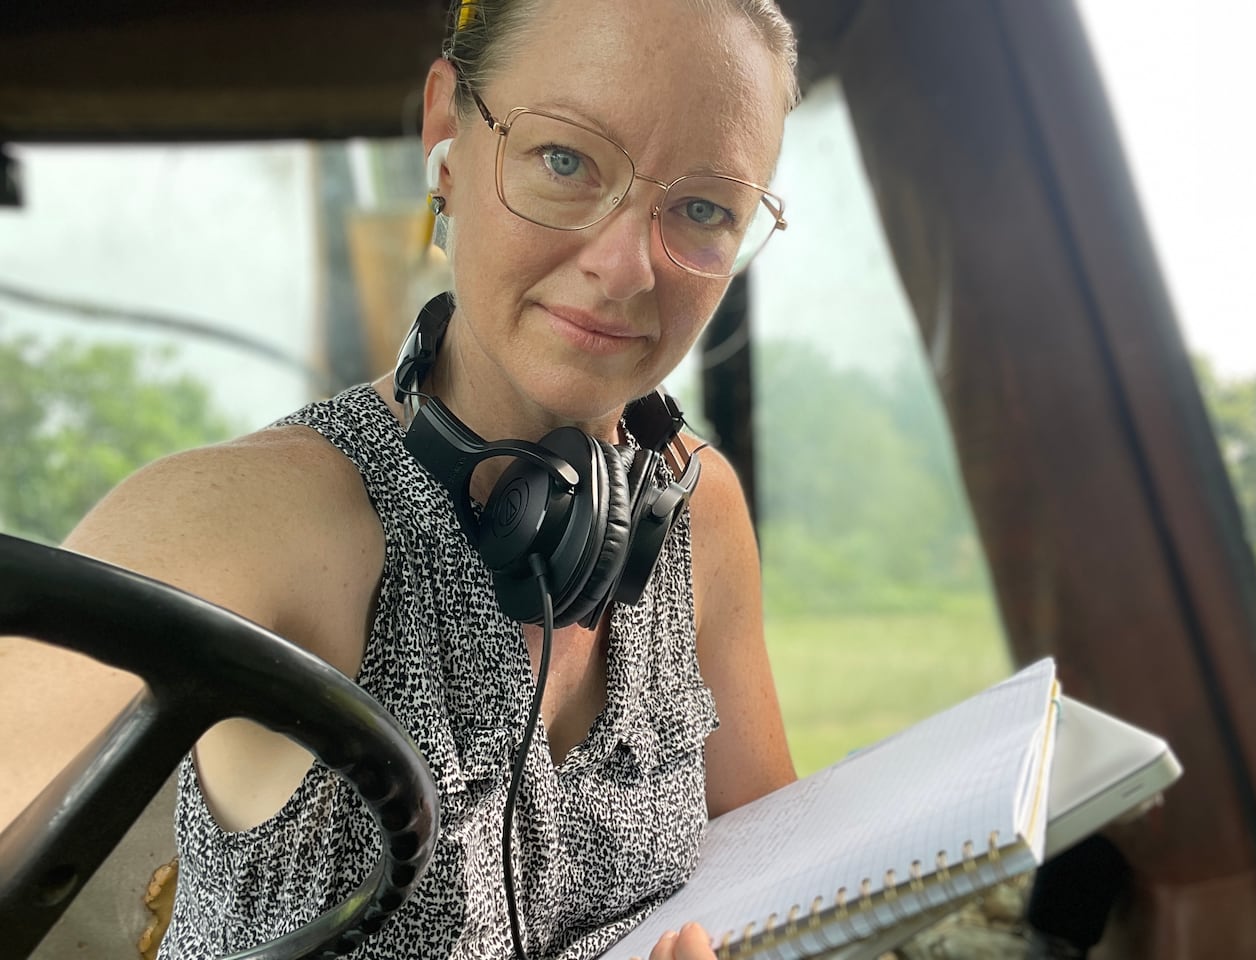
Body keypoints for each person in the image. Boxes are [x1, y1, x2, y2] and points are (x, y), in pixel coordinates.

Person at [1, 0, 801, 957]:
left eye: (705, 209)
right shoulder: (243, 522)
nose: (627, 269)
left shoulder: (698, 507)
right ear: (446, 140)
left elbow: (786, 879)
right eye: (564, 160)